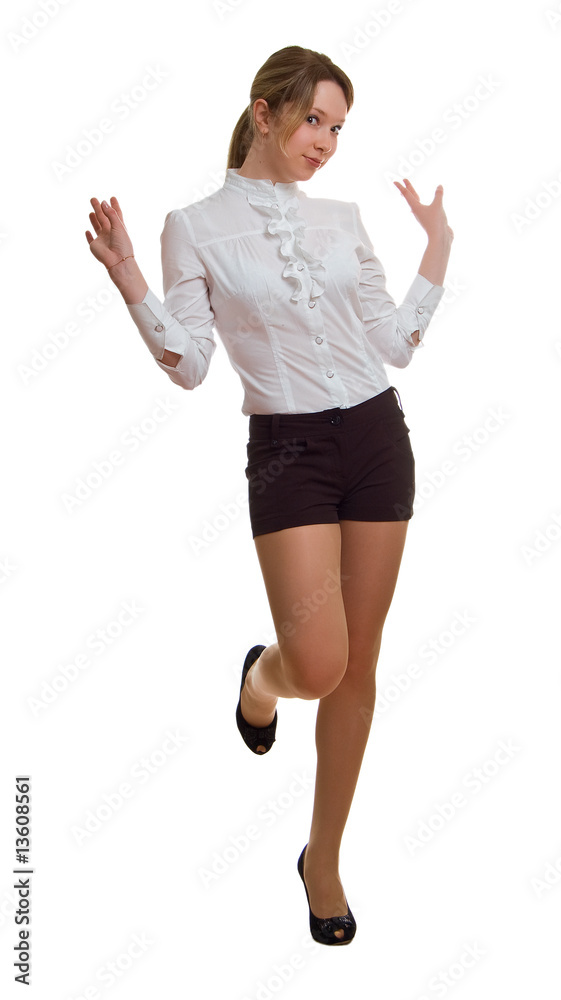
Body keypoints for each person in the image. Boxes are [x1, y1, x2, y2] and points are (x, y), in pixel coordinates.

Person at [85, 44, 453, 947]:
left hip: (376, 438)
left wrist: (437, 249)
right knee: (315, 666)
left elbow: (394, 345)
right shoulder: (191, 226)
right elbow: (191, 367)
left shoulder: (342, 217)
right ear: (264, 112)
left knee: (357, 665)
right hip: (287, 451)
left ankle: (322, 858)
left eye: (338, 127)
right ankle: (260, 678)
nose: (325, 141)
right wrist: (131, 285)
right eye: (313, 119)